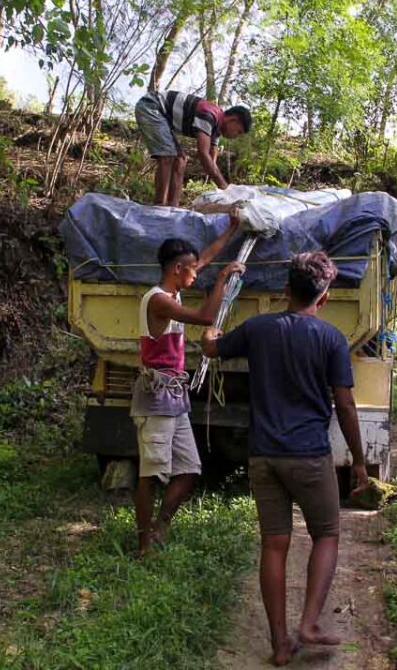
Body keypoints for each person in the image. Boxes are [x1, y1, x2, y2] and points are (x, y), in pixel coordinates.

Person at [201, 251, 370, 666]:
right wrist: (360, 461)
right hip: (310, 456)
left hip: (263, 457)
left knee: (274, 546)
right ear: (325, 297)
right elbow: (345, 406)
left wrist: (209, 332)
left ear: (284, 290)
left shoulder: (258, 328)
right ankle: (309, 623)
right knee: (327, 534)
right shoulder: (331, 339)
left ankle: (279, 643)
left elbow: (212, 350)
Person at [132, 218, 245, 556]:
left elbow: (206, 257)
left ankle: (159, 528)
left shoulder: (173, 288)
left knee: (190, 470)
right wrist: (223, 279)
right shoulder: (159, 301)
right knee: (150, 475)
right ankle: (142, 544)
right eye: (193, 270)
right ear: (177, 269)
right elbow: (206, 317)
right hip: (156, 396)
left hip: (175, 395)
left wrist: (231, 231)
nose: (199, 274)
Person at [134, 90, 252, 207]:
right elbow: (203, 153)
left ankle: (172, 207)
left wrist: (223, 189)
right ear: (233, 120)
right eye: (239, 131)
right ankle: (159, 205)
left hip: (164, 117)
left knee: (180, 161)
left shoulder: (216, 128)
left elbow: (211, 162)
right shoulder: (209, 115)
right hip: (151, 106)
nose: (236, 136)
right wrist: (225, 189)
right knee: (167, 157)